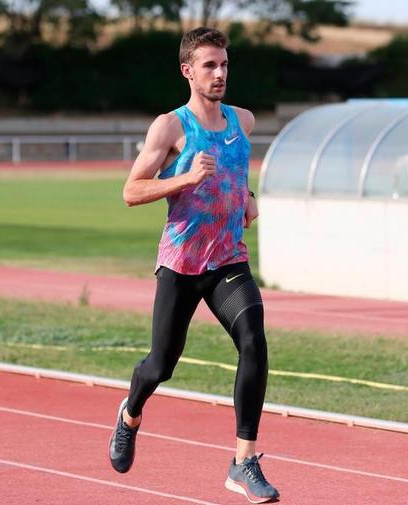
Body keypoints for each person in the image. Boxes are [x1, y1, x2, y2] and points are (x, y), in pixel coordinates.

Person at [108, 26, 280, 503]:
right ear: (188, 71)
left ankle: (244, 462)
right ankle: (130, 415)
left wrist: (246, 195)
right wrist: (182, 178)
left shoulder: (243, 121)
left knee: (254, 340)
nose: (220, 72)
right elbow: (130, 191)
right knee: (160, 365)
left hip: (227, 259)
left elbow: (234, 168)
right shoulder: (170, 127)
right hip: (182, 263)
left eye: (224, 64)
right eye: (210, 65)